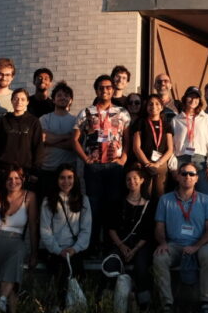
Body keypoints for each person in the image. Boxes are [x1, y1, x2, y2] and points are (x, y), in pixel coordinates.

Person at [153, 161, 208, 313]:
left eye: (192, 174)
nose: (187, 177)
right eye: (184, 174)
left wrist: (196, 246)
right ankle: (167, 305)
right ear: (178, 177)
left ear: (197, 179)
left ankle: (206, 302)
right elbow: (159, 227)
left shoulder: (206, 200)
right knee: (159, 258)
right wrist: (162, 243)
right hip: (174, 244)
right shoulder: (165, 200)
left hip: (198, 243)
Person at [74, 75, 130, 249]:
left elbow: (127, 139)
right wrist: (85, 159)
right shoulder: (86, 112)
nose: (105, 90)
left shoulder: (122, 113)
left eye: (108, 87)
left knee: (112, 206)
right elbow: (75, 139)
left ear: (113, 90)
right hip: (94, 167)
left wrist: (123, 159)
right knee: (94, 207)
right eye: (101, 88)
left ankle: (110, 245)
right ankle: (92, 246)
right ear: (96, 90)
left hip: (115, 166)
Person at [0, 165, 37, 313]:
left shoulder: (29, 196)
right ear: (4, 181)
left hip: (15, 240)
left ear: (23, 180)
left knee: (18, 252)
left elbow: (32, 227)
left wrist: (34, 253)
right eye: (10, 178)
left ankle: (2, 300)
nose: (13, 181)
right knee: (13, 269)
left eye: (17, 178)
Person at [39, 163, 92, 307]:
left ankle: (75, 310)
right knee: (61, 270)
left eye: (70, 178)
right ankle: (61, 308)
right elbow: (45, 230)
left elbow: (86, 230)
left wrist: (75, 248)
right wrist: (58, 250)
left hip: (75, 249)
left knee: (75, 271)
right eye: (62, 178)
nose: (66, 182)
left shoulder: (83, 200)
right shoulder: (48, 201)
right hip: (54, 249)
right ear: (57, 180)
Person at [105, 167, 156, 311]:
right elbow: (111, 228)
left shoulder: (149, 204)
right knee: (112, 262)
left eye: (135, 178)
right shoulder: (118, 202)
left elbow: (147, 232)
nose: (131, 181)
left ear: (142, 181)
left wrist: (134, 250)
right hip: (121, 243)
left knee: (141, 266)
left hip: (140, 245)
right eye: (128, 179)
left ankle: (143, 305)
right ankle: (108, 303)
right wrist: (121, 246)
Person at [0, 88, 44, 181]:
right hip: (3, 170)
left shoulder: (33, 122)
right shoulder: (2, 121)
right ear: (12, 101)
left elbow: (38, 147)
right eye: (16, 98)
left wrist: (35, 171)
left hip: (25, 171)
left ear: (27, 102)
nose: (19, 101)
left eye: (22, 99)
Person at [172, 86, 208, 195]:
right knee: (182, 195)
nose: (193, 100)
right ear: (185, 99)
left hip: (201, 161)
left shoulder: (205, 118)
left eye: (196, 98)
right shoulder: (176, 120)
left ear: (200, 100)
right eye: (190, 97)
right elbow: (171, 145)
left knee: (204, 194)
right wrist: (173, 167)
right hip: (181, 160)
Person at [38, 82, 78, 194]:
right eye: (59, 95)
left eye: (66, 95)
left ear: (71, 100)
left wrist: (51, 141)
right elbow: (44, 138)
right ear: (53, 100)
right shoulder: (44, 119)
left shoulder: (76, 120)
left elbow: (73, 145)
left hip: (68, 172)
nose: (63, 98)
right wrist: (67, 136)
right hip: (48, 169)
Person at [132, 94, 175, 197]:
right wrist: (147, 164)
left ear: (161, 107)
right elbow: (136, 147)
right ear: (146, 107)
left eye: (157, 104)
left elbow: (170, 149)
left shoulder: (166, 125)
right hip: (144, 163)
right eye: (150, 104)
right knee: (145, 194)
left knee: (160, 194)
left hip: (160, 163)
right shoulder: (140, 122)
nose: (153, 107)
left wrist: (158, 163)